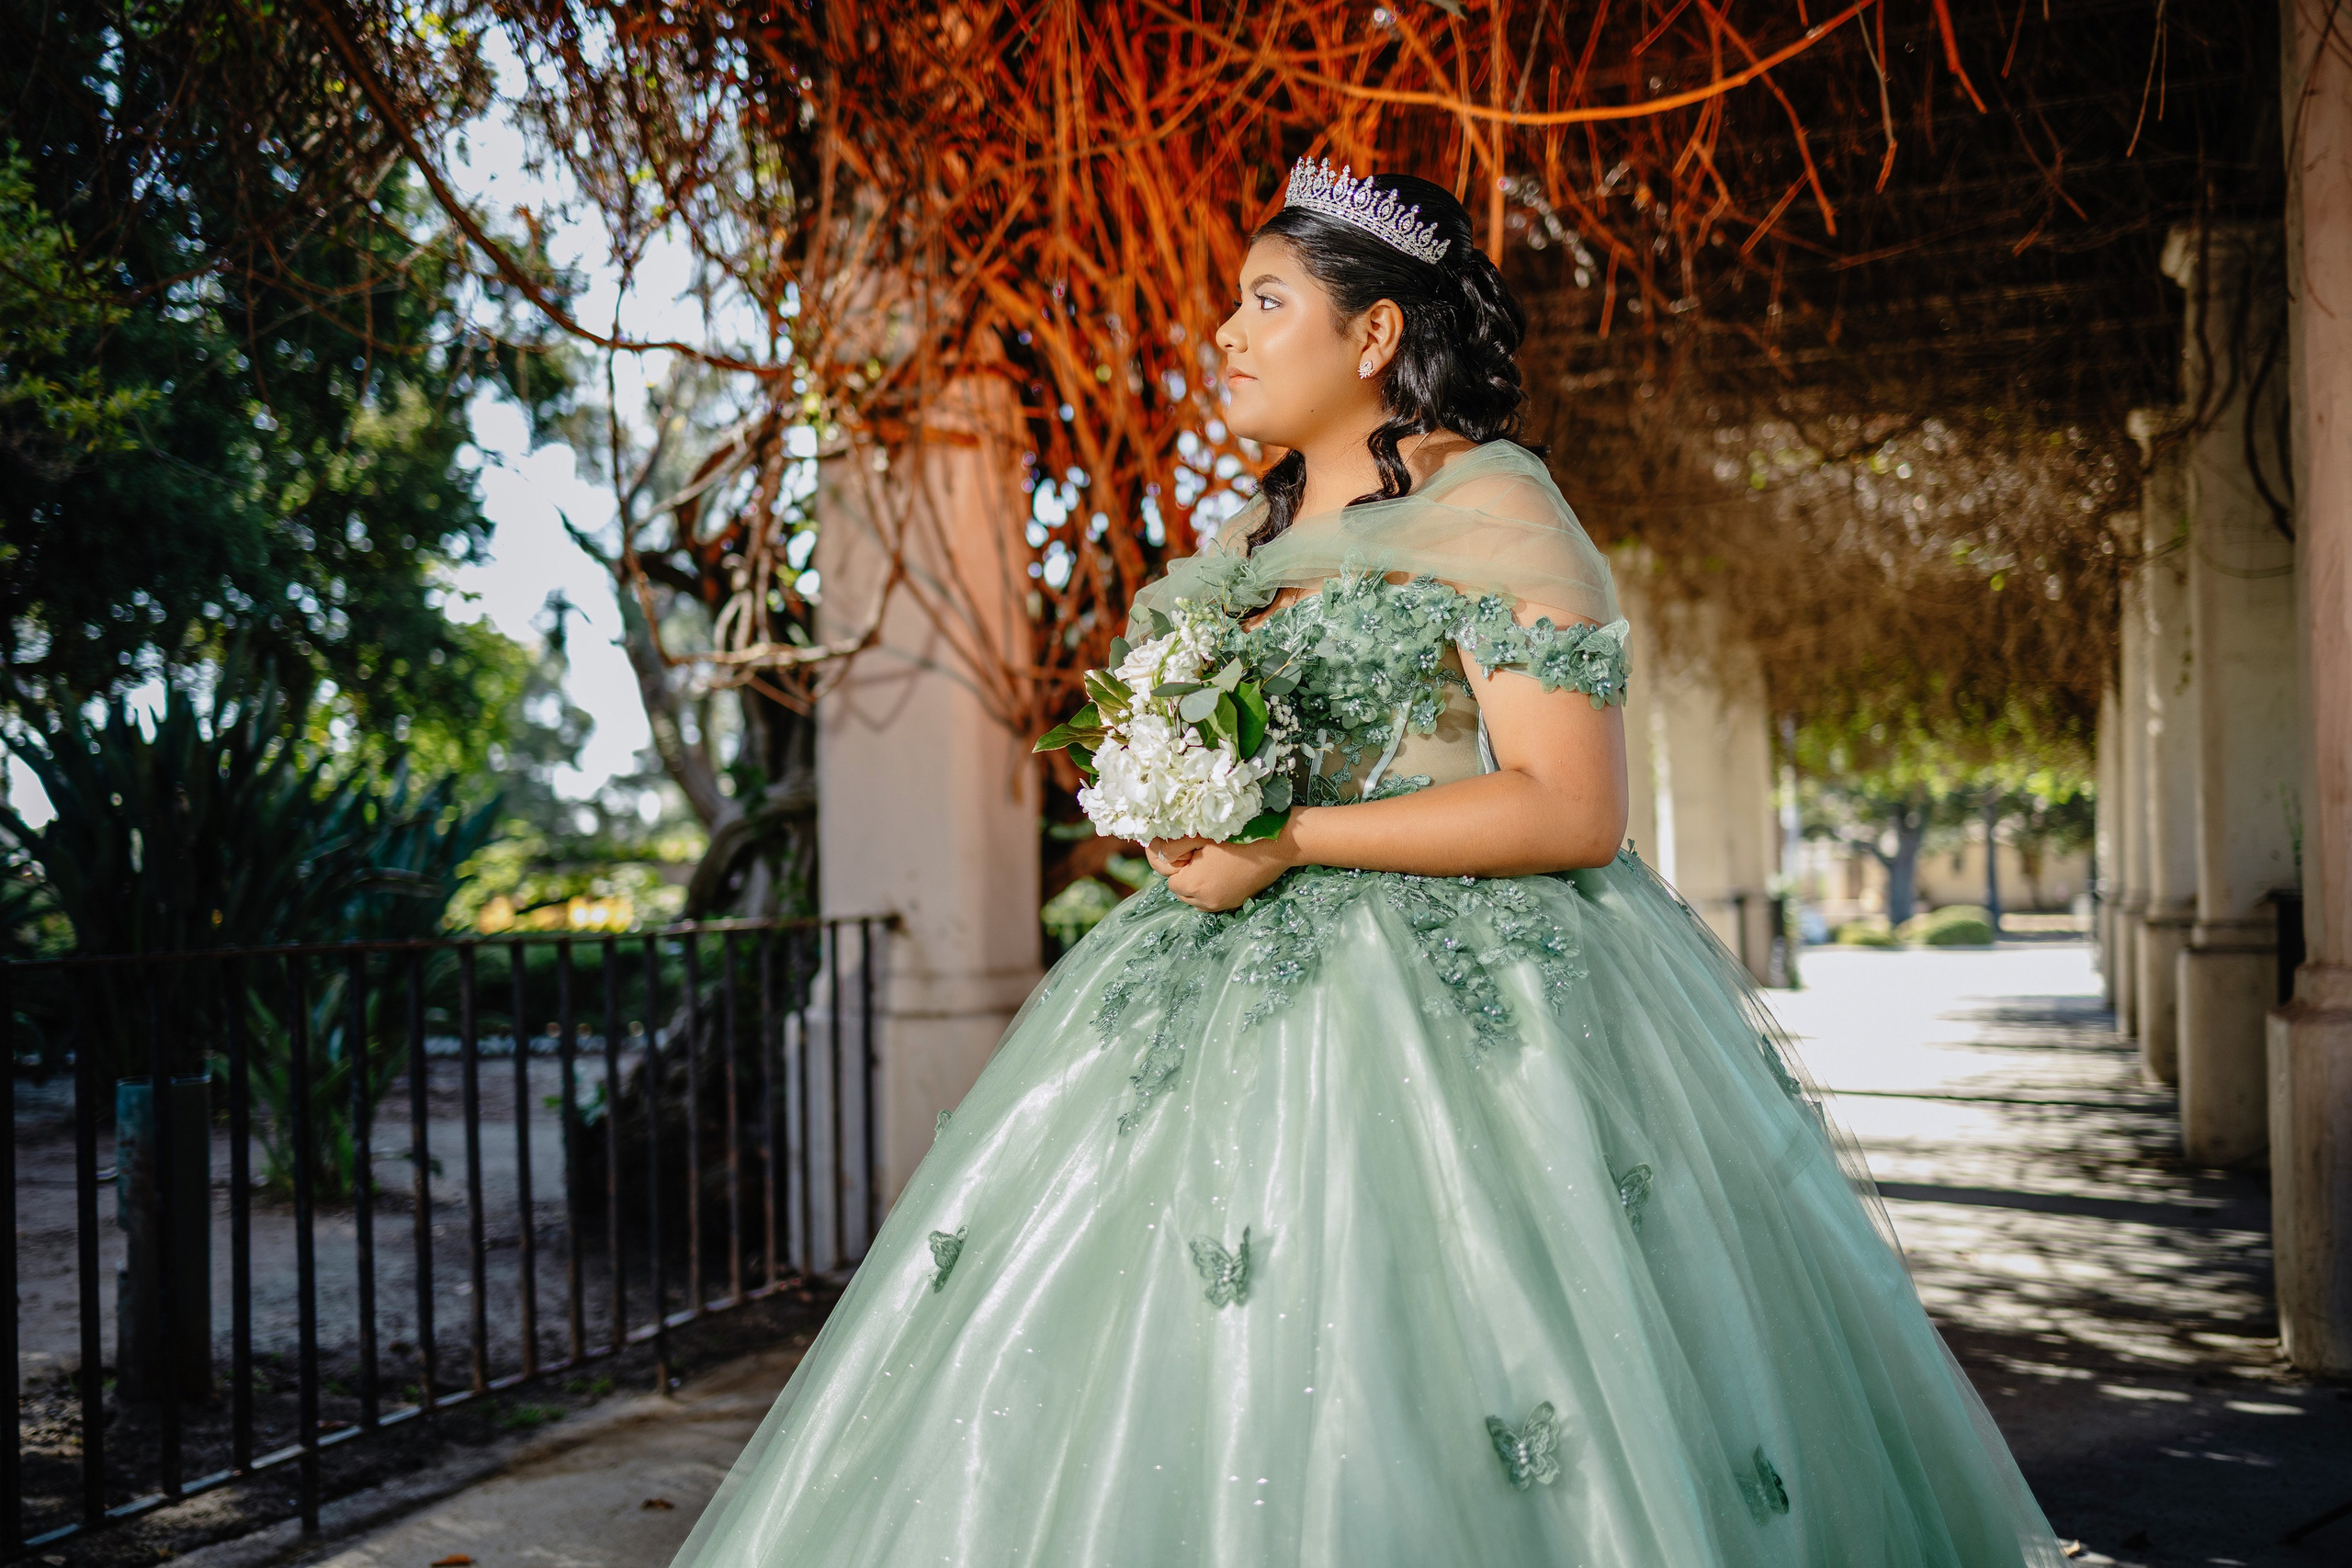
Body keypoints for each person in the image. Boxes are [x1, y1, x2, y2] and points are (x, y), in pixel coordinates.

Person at [667, 161, 2068, 1567]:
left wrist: (1286, 842)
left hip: (1467, 1018)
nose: (1223, 333)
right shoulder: (1246, 548)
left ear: (1375, 334)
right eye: (1232, 302)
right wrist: (1184, 813)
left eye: (1264, 299)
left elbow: (1574, 811)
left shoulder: (1498, 505)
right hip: (1200, 1007)